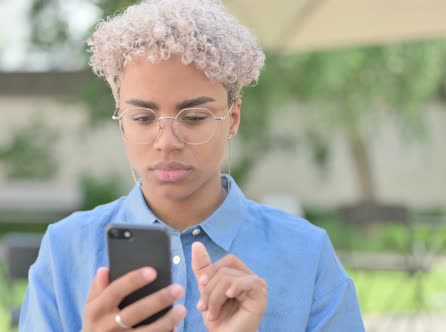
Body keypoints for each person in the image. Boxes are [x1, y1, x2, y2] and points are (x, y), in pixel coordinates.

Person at [20, 0, 365, 331]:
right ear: (122, 121)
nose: (167, 140)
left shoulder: (306, 254)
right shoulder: (66, 250)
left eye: (195, 117)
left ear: (233, 119)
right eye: (143, 117)